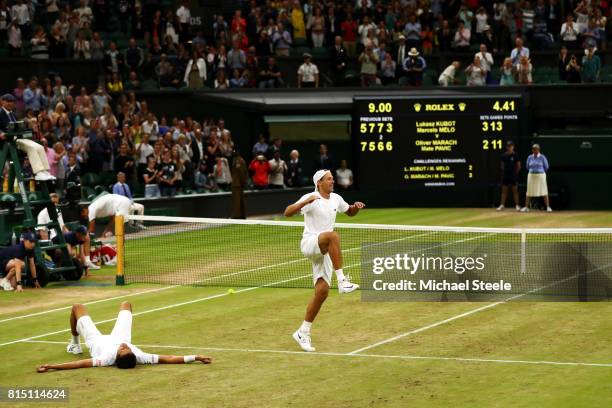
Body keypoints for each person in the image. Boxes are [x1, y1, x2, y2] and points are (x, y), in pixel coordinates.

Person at [284, 170, 365, 352]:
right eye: (329, 179)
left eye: (332, 179)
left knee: (322, 292)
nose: (332, 181)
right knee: (333, 236)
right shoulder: (311, 197)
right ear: (319, 182)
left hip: (325, 249)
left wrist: (355, 208)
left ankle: (302, 332)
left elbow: (349, 212)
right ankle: (342, 281)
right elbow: (287, 212)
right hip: (310, 243)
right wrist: (304, 203)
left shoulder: (336, 198)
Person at [37, 301, 211, 372]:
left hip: (95, 340)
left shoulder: (105, 358)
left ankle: (75, 344)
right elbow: (170, 358)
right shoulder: (139, 356)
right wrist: (195, 357)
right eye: (127, 350)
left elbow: (79, 364)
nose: (124, 348)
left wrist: (53, 366)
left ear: (116, 357)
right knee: (126, 304)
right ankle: (74, 343)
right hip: (121, 335)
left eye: (122, 350)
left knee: (77, 308)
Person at [0, 94, 54, 181]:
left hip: (18, 139)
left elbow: (20, 129)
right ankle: (38, 172)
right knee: (31, 148)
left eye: (12, 101)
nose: (11, 103)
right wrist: (1, 133)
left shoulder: (13, 114)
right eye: (8, 101)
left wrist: (32, 129)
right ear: (2, 102)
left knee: (39, 147)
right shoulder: (0, 113)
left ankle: (45, 171)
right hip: (8, 142)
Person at [521, 144, 552, 212]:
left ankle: (548, 207)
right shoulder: (529, 157)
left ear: (539, 150)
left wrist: (539, 171)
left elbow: (546, 167)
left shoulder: (542, 157)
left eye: (537, 149)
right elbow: (527, 166)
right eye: (534, 149)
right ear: (532, 150)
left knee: (544, 191)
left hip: (541, 176)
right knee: (529, 192)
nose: (535, 150)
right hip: (531, 176)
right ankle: (526, 207)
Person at [497, 141, 521, 211]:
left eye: (511, 146)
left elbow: (519, 166)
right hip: (505, 175)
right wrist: (505, 172)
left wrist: (514, 173)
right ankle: (502, 205)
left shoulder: (516, 155)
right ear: (506, 147)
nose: (509, 147)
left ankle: (517, 205)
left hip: (513, 176)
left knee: (515, 191)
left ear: (513, 147)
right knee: (504, 191)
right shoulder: (503, 156)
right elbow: (502, 166)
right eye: (508, 146)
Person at [230, 150, 248, 219]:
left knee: (237, 201)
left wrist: (242, 182)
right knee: (239, 200)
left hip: (237, 184)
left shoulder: (238, 161)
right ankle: (241, 215)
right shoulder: (237, 160)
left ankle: (236, 216)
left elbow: (241, 173)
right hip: (238, 183)